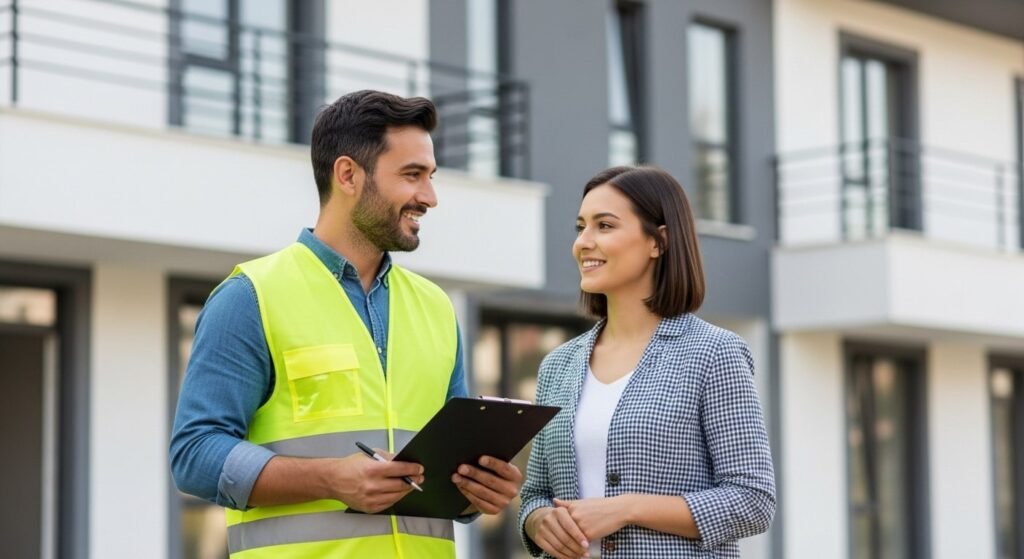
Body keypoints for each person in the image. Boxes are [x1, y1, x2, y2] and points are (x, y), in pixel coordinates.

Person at [170, 90, 522, 559]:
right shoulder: (250, 297)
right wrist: (332, 478)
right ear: (348, 175)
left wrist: (478, 489)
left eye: (431, 177)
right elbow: (194, 454)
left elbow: (446, 480)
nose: (429, 197)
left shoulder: (437, 308)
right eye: (412, 175)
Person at [518, 166, 776, 558]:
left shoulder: (714, 353)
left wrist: (627, 509)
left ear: (659, 241)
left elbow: (753, 500)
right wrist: (538, 522)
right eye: (580, 226)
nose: (583, 242)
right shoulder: (558, 365)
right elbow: (536, 493)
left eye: (604, 226)